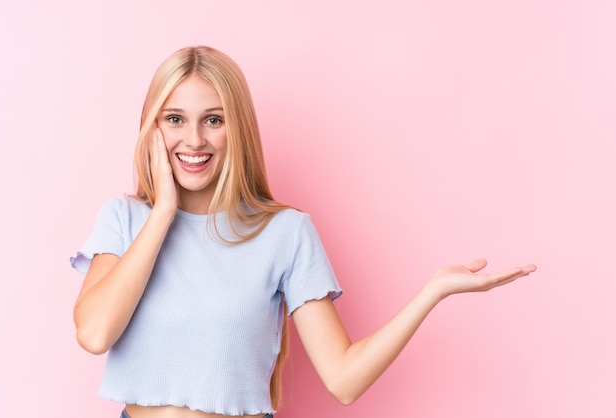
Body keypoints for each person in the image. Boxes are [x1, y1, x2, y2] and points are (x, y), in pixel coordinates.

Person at [70, 45, 536, 418]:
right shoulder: (124, 220)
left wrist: (433, 292)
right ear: (152, 129)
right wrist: (164, 211)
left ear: (239, 129)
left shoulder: (285, 233)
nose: (193, 140)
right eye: (175, 119)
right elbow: (94, 333)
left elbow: (344, 380)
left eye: (214, 120)